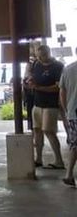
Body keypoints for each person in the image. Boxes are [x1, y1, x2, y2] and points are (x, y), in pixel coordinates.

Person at [30, 44, 64, 169]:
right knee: (37, 130)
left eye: (42, 56)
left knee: (49, 131)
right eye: (38, 56)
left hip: (50, 104)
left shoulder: (58, 66)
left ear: (48, 53)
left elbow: (58, 87)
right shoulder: (36, 65)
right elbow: (33, 78)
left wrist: (39, 88)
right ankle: (38, 158)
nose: (40, 58)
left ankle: (59, 160)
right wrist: (30, 83)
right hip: (37, 102)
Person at [59, 52, 77, 186]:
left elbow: (62, 92)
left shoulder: (68, 69)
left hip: (73, 113)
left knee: (74, 144)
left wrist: (67, 110)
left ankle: (69, 174)